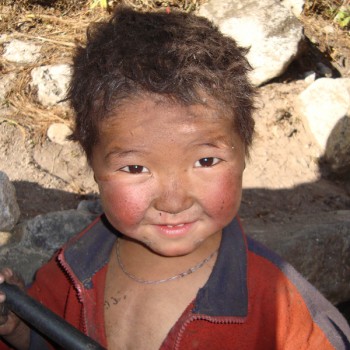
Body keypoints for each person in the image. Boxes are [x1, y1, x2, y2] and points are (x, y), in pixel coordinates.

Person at [0, 6, 349, 350]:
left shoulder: (290, 319)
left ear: (244, 154)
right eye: (135, 168)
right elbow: (45, 340)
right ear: (93, 164)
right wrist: (19, 325)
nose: (173, 201)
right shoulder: (74, 265)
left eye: (206, 160)